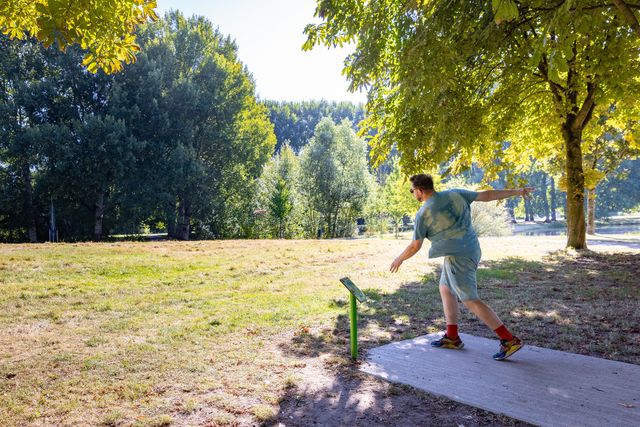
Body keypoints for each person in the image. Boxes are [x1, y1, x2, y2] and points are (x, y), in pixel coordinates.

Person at [389, 174, 534, 361]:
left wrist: (399, 259)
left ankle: (509, 340)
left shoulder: (423, 213)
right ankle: (452, 337)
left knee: (470, 299)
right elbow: (488, 195)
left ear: (419, 190)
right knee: (445, 288)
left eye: (412, 191)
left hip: (459, 257)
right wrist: (517, 192)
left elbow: (415, 246)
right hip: (470, 248)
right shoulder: (455, 194)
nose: (413, 194)